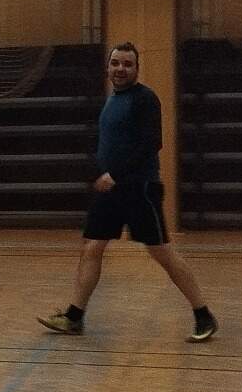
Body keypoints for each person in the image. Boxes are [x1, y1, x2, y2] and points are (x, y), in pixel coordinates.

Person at [39, 42, 218, 342]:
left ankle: (204, 315)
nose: (120, 69)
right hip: (110, 192)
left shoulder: (145, 99)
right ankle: (74, 317)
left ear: (136, 69)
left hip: (139, 189)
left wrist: (116, 174)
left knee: (161, 252)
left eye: (127, 64)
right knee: (92, 248)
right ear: (108, 67)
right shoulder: (112, 100)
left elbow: (151, 143)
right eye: (116, 63)